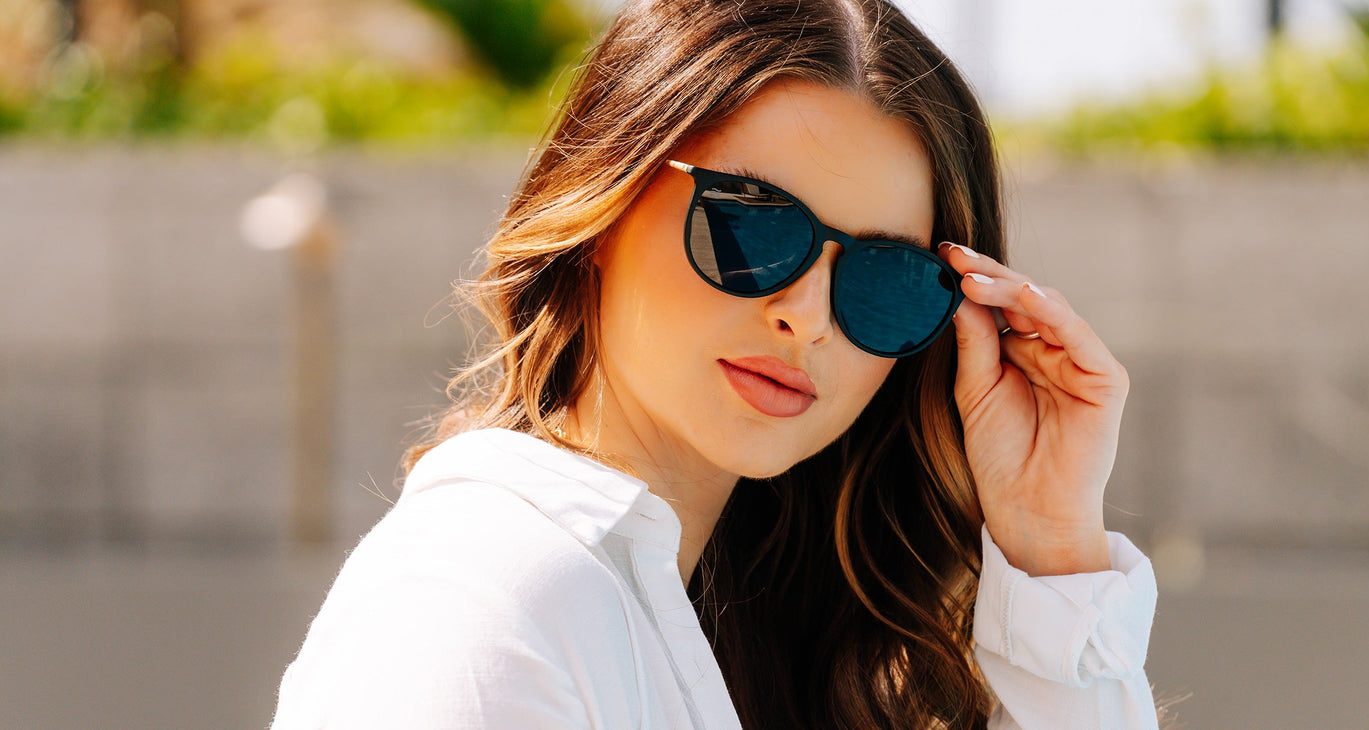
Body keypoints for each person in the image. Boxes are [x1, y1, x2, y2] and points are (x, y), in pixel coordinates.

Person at [271, 0, 1162, 727]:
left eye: (885, 278)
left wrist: (1049, 548)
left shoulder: (758, 645)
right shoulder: (482, 598)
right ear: (601, 207)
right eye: (752, 226)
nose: (807, 319)